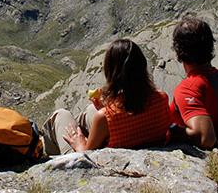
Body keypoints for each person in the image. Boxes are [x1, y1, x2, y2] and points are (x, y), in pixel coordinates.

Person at [42, 39, 173, 154]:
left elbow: (87, 156)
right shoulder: (161, 98)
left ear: (112, 73)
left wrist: (79, 144)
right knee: (91, 110)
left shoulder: (105, 117)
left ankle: (44, 155)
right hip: (135, 143)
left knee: (61, 115)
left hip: (97, 159)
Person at [169, 17, 218, 149]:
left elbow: (205, 138)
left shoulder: (188, 88)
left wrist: (171, 131)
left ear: (178, 51)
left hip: (199, 155)